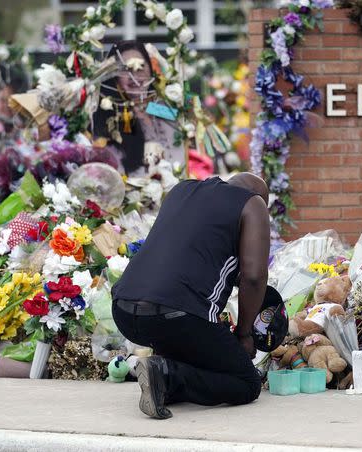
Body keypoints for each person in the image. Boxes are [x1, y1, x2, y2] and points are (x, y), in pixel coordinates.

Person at [111, 173, 270, 419]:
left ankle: (161, 375)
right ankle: (166, 374)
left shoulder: (182, 189)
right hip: (178, 315)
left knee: (187, 342)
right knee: (246, 383)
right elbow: (254, 277)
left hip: (124, 308)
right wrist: (244, 333)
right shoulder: (253, 203)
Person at [94, 40, 183, 175]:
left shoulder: (161, 107)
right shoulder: (107, 114)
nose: (134, 76)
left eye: (141, 66)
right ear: (114, 76)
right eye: (125, 69)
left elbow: (184, 133)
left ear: (151, 68)